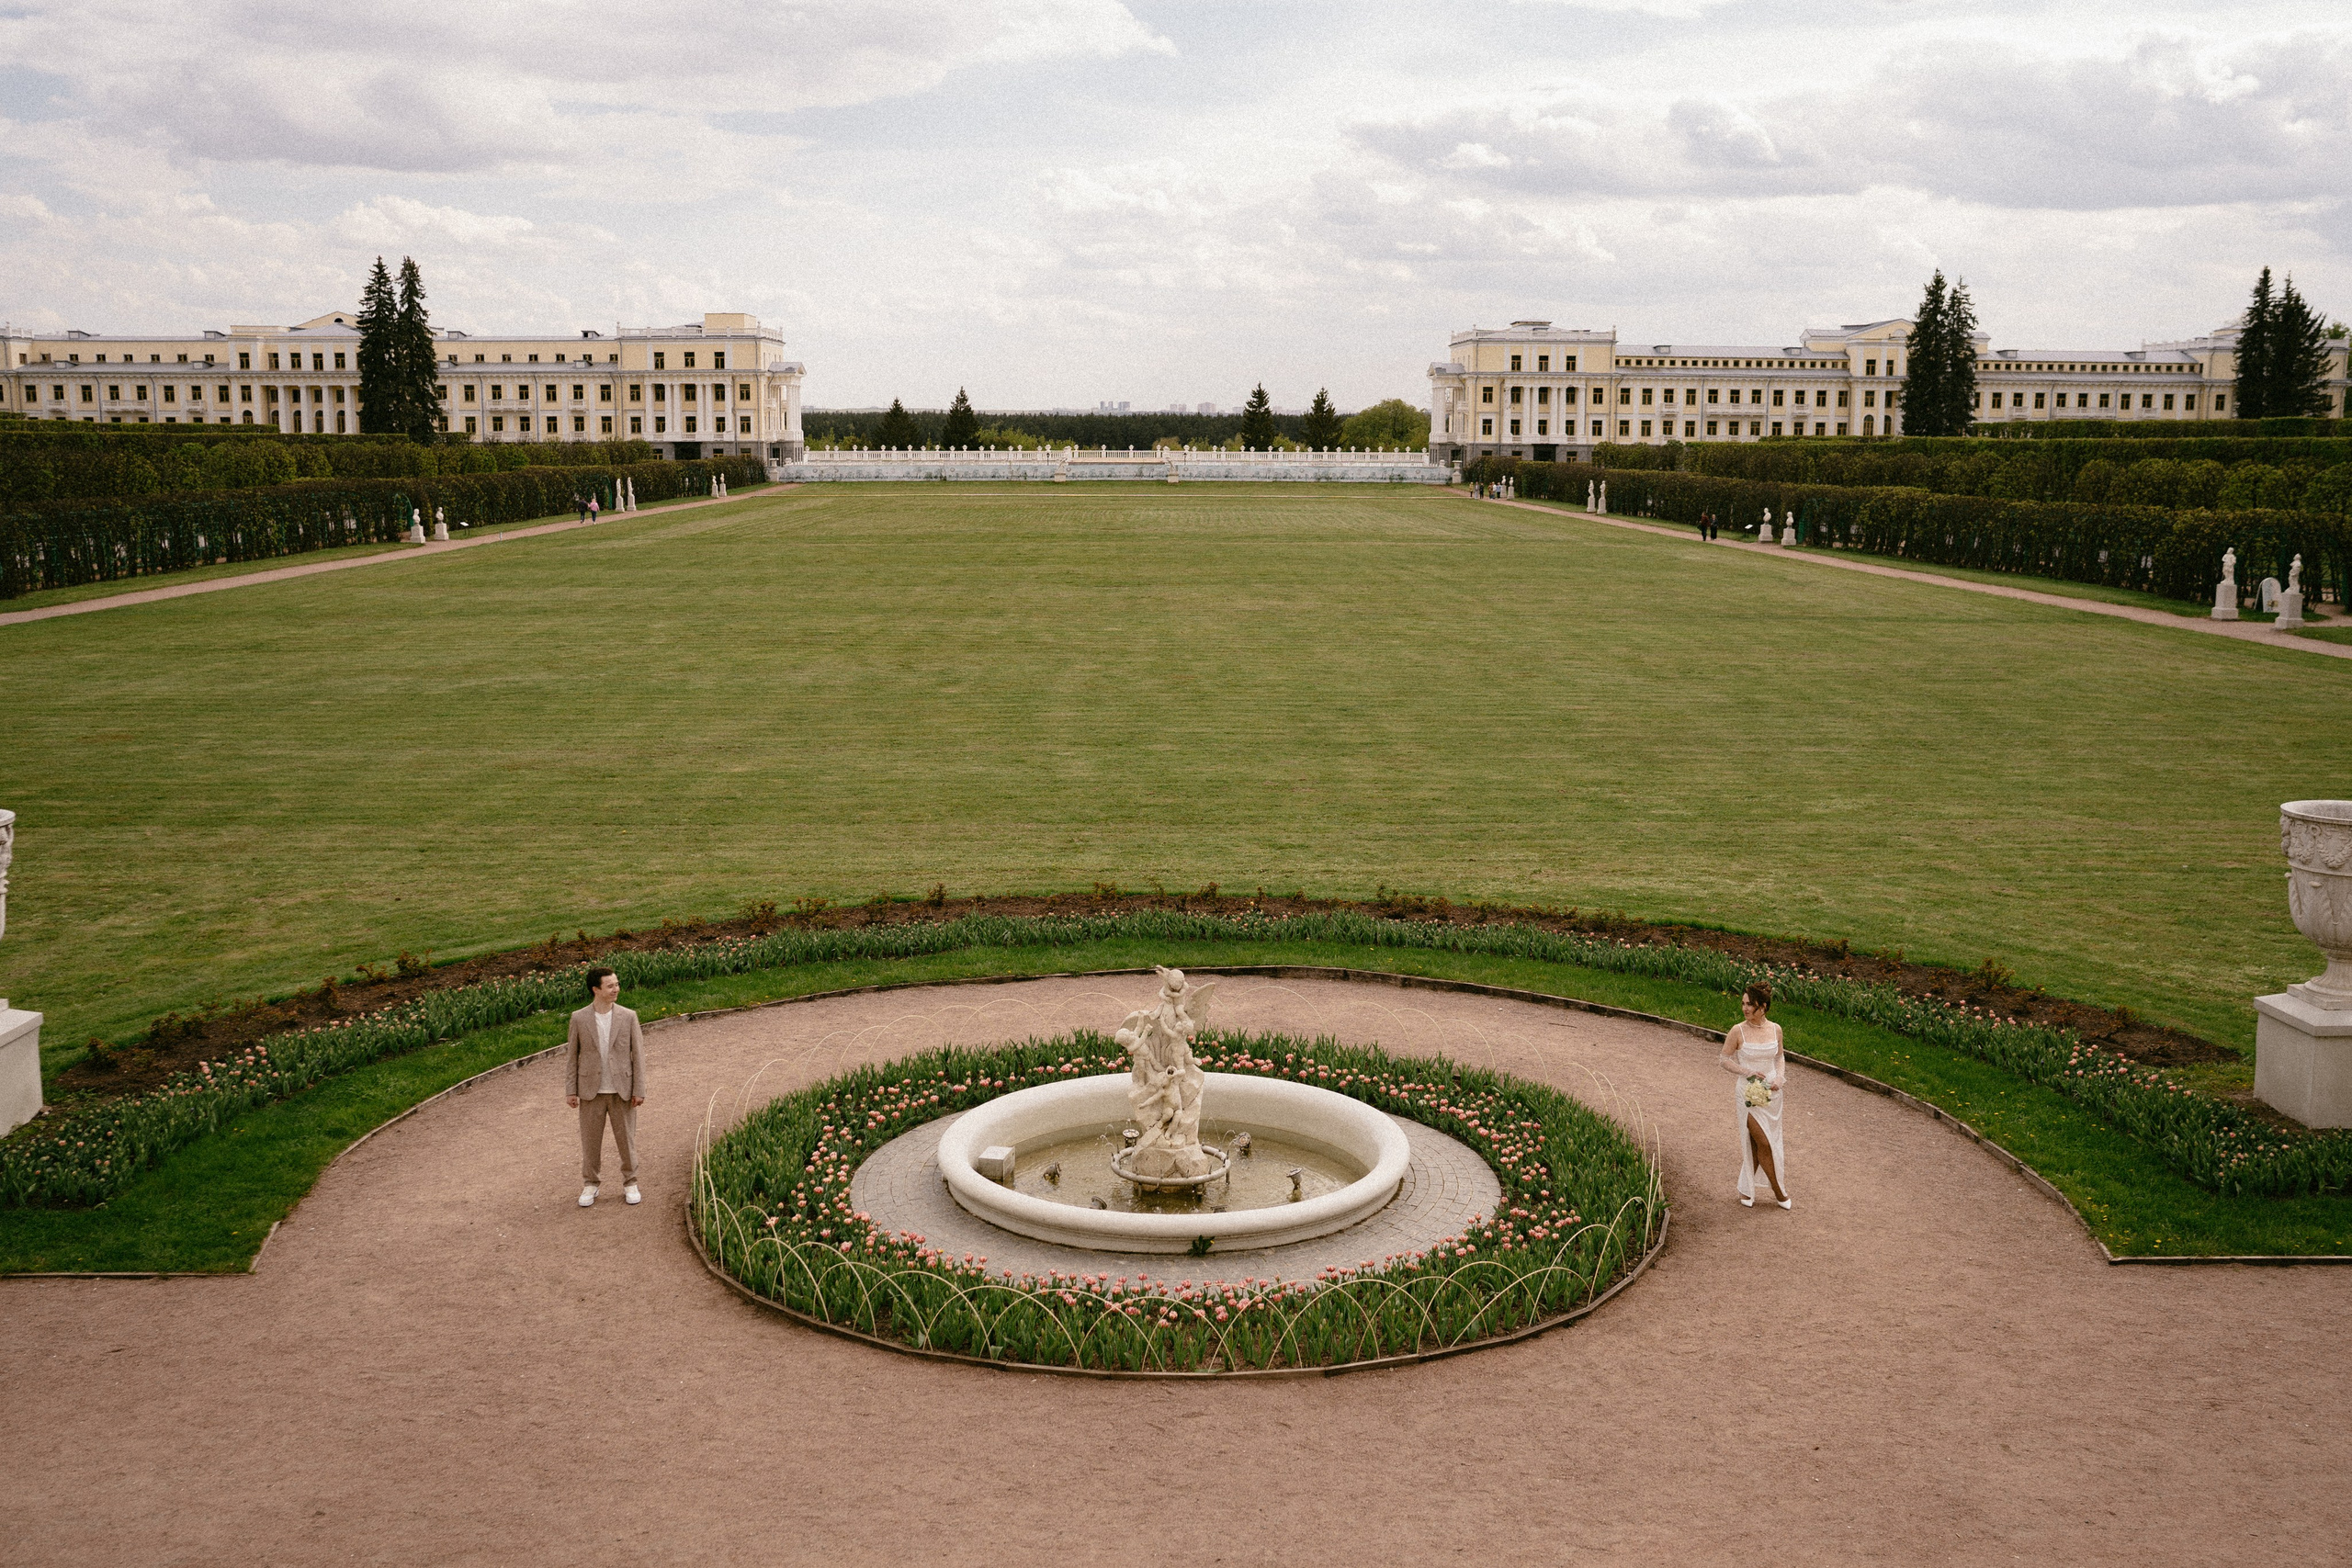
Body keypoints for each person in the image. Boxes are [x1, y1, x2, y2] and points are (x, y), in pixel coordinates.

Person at [565, 966, 646, 1207]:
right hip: (591, 1091)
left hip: (623, 1090)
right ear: (596, 990)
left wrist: (639, 1089)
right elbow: (572, 1056)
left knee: (626, 1141)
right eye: (610, 986)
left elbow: (638, 1056)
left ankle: (631, 1182)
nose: (616, 989)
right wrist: (571, 1090)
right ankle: (591, 1184)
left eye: (617, 984)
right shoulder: (578, 1018)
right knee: (590, 1142)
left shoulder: (628, 1016)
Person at [1718, 981, 1790, 1209]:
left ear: (1763, 1006)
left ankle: (1746, 1188)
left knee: (1756, 1143)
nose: (1745, 1008)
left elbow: (1779, 1057)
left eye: (1750, 1004)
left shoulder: (1776, 1029)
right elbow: (1724, 1060)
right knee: (1764, 1142)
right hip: (1747, 1095)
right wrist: (1747, 1071)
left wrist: (1779, 1078)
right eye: (1743, 1004)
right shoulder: (1737, 1030)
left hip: (1772, 1095)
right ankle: (1779, 1192)